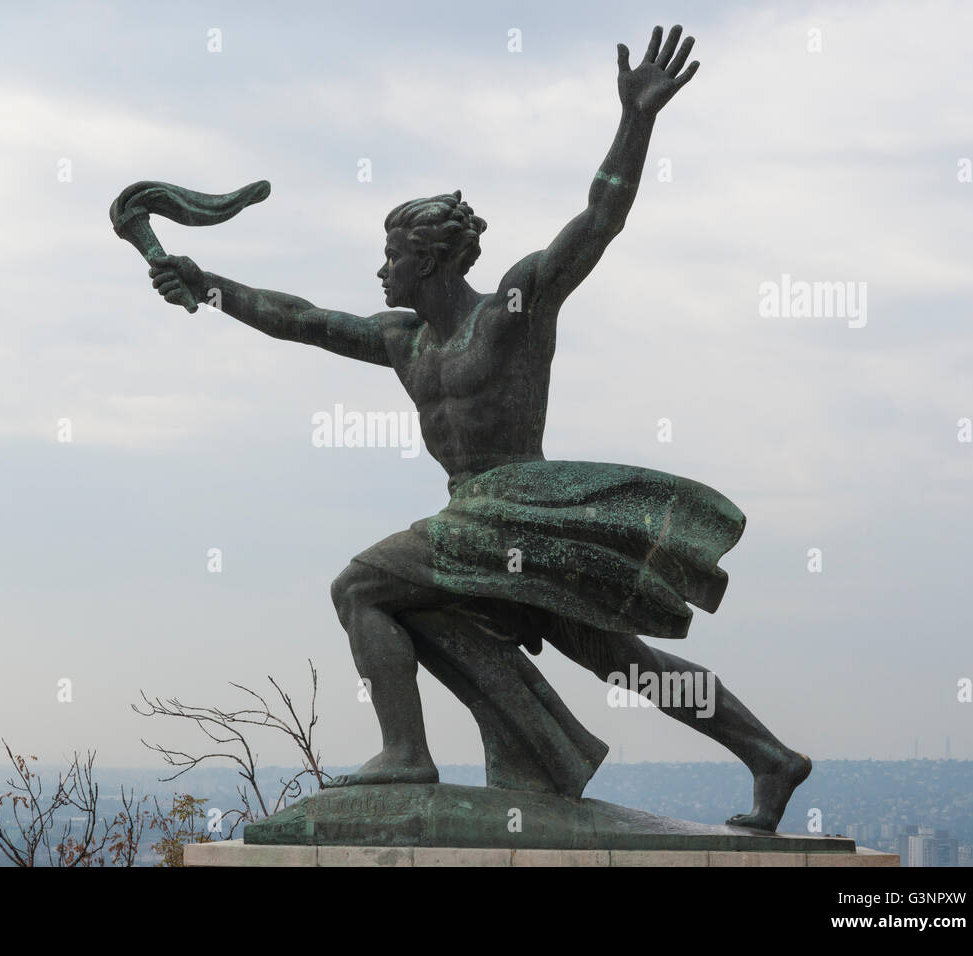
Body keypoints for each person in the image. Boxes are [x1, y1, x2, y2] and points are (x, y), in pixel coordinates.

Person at [128, 25, 809, 830]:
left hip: (519, 504)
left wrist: (637, 120)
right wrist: (208, 286)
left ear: (432, 258)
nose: (381, 270)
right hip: (475, 513)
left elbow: (598, 220)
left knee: (360, 587)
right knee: (626, 662)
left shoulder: (513, 309)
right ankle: (768, 756)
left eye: (391, 256)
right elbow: (300, 320)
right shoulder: (399, 338)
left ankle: (406, 753)